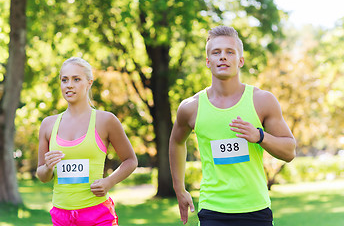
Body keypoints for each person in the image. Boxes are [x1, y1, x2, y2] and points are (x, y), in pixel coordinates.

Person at [169, 26, 296, 226]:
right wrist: (179, 188)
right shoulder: (190, 107)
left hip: (255, 209)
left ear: (241, 61)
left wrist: (260, 136)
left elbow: (289, 151)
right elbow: (176, 142)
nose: (223, 57)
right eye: (216, 52)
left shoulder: (262, 101)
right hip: (213, 210)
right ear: (208, 62)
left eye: (230, 52)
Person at [36, 57, 138, 226]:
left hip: (97, 214)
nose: (69, 85)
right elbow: (42, 175)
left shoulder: (105, 120)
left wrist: (109, 181)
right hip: (61, 216)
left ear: (89, 82)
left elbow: (131, 160)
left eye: (76, 79)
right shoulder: (48, 124)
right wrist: (47, 167)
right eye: (64, 80)